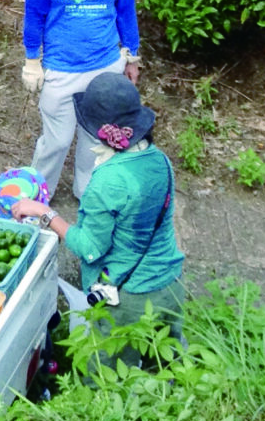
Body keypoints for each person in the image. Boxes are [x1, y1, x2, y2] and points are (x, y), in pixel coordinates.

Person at [11, 72, 183, 370]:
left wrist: (44, 212)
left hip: (130, 298)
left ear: (99, 131)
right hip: (170, 284)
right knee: (165, 364)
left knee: (111, 374)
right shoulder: (160, 160)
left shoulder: (107, 181)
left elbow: (90, 247)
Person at [20, 0, 141, 202]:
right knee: (56, 141)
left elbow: (126, 10)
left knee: (96, 137)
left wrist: (132, 55)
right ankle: (35, 198)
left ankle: (87, 193)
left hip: (106, 64)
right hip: (62, 67)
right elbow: (34, 14)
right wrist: (32, 61)